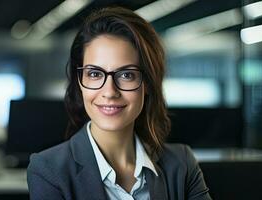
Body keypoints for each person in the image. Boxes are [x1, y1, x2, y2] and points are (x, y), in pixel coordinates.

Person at [27, 7, 211, 200]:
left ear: (147, 83)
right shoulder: (48, 170)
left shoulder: (181, 163)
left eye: (126, 75)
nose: (109, 92)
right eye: (94, 74)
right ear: (80, 81)